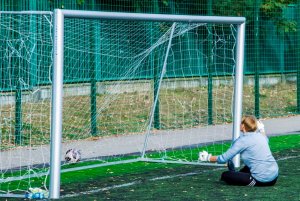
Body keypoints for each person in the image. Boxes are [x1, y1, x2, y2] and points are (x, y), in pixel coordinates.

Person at [199, 115, 278, 186]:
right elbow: (266, 140)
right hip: (274, 177)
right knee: (246, 168)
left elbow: (223, 159)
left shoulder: (242, 141)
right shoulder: (261, 136)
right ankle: (237, 174)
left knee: (225, 175)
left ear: (243, 126)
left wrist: (208, 158)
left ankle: (234, 173)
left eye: (241, 123)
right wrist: (261, 129)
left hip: (261, 180)